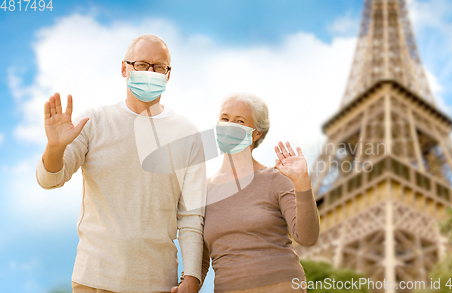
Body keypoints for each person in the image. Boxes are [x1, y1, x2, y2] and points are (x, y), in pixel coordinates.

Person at [36, 34, 205, 293]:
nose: (151, 72)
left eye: (159, 67)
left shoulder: (187, 134)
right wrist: (55, 147)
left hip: (158, 282)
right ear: (124, 68)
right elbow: (50, 179)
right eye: (141, 64)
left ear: (168, 75)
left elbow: (191, 215)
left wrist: (192, 278)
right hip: (94, 279)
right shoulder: (93, 122)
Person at [173, 92, 320, 293]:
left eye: (239, 121)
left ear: (256, 133)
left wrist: (302, 183)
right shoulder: (202, 191)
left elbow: (307, 237)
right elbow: (201, 258)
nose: (229, 125)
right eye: (225, 119)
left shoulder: (276, 178)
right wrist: (187, 284)